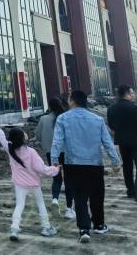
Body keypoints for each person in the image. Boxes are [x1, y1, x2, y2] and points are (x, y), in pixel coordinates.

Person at [51, 90, 121, 244]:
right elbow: (107, 142)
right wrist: (115, 161)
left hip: (73, 164)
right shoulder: (97, 119)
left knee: (79, 197)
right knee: (97, 196)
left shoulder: (62, 118)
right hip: (94, 164)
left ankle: (84, 229)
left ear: (72, 101)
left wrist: (54, 159)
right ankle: (99, 225)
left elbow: (57, 141)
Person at [0, 126, 59, 241]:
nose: (25, 133)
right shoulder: (31, 152)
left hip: (19, 184)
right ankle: (46, 227)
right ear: (21, 138)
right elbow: (41, 169)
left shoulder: (9, 149)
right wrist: (55, 170)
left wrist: (0, 130)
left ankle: (14, 228)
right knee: (41, 204)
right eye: (23, 133)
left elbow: (2, 139)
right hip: (34, 184)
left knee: (19, 205)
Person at [107, 85, 137, 204]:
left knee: (127, 166)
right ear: (126, 93)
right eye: (132, 93)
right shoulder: (134, 107)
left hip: (122, 142)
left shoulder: (111, 108)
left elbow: (111, 124)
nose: (133, 95)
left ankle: (130, 191)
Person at [35, 97, 75, 218]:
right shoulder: (65, 118)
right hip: (66, 153)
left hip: (51, 153)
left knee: (56, 178)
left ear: (49, 106)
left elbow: (38, 136)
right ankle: (69, 209)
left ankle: (55, 199)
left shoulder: (43, 119)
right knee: (69, 179)